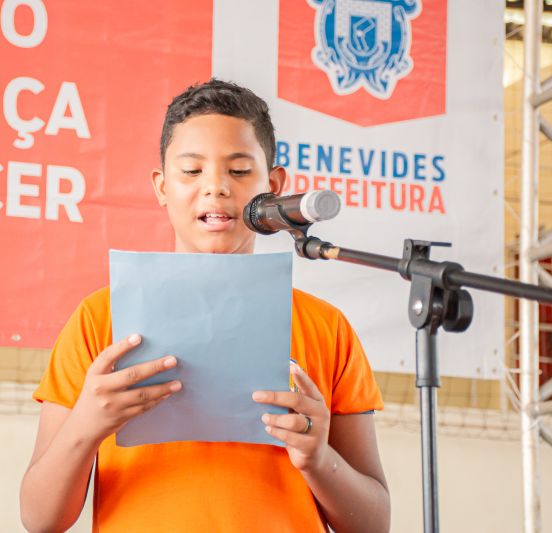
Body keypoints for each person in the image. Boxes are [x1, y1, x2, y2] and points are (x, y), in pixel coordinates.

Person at [20, 79, 390, 533]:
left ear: (274, 186)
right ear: (162, 187)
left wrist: (318, 458)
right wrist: (87, 425)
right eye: (192, 171)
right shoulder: (98, 319)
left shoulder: (327, 328)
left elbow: (373, 524)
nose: (215, 187)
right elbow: (40, 520)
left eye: (239, 170)